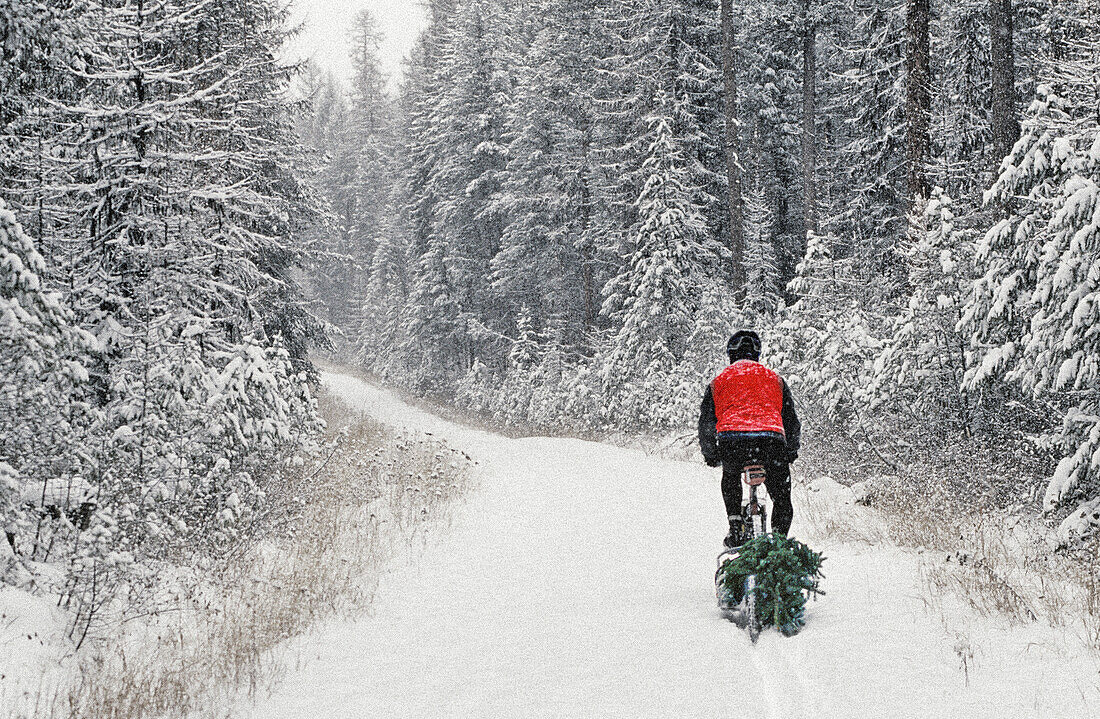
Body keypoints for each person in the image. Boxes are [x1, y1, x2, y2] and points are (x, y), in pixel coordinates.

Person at [698, 330, 801, 549]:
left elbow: (706, 422)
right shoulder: (775, 379)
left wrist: (711, 454)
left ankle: (735, 523)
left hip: (733, 441)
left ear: (731, 354)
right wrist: (790, 451)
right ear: (757, 354)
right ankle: (780, 542)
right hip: (771, 442)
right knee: (782, 498)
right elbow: (791, 420)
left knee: (730, 473)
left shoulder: (719, 381)